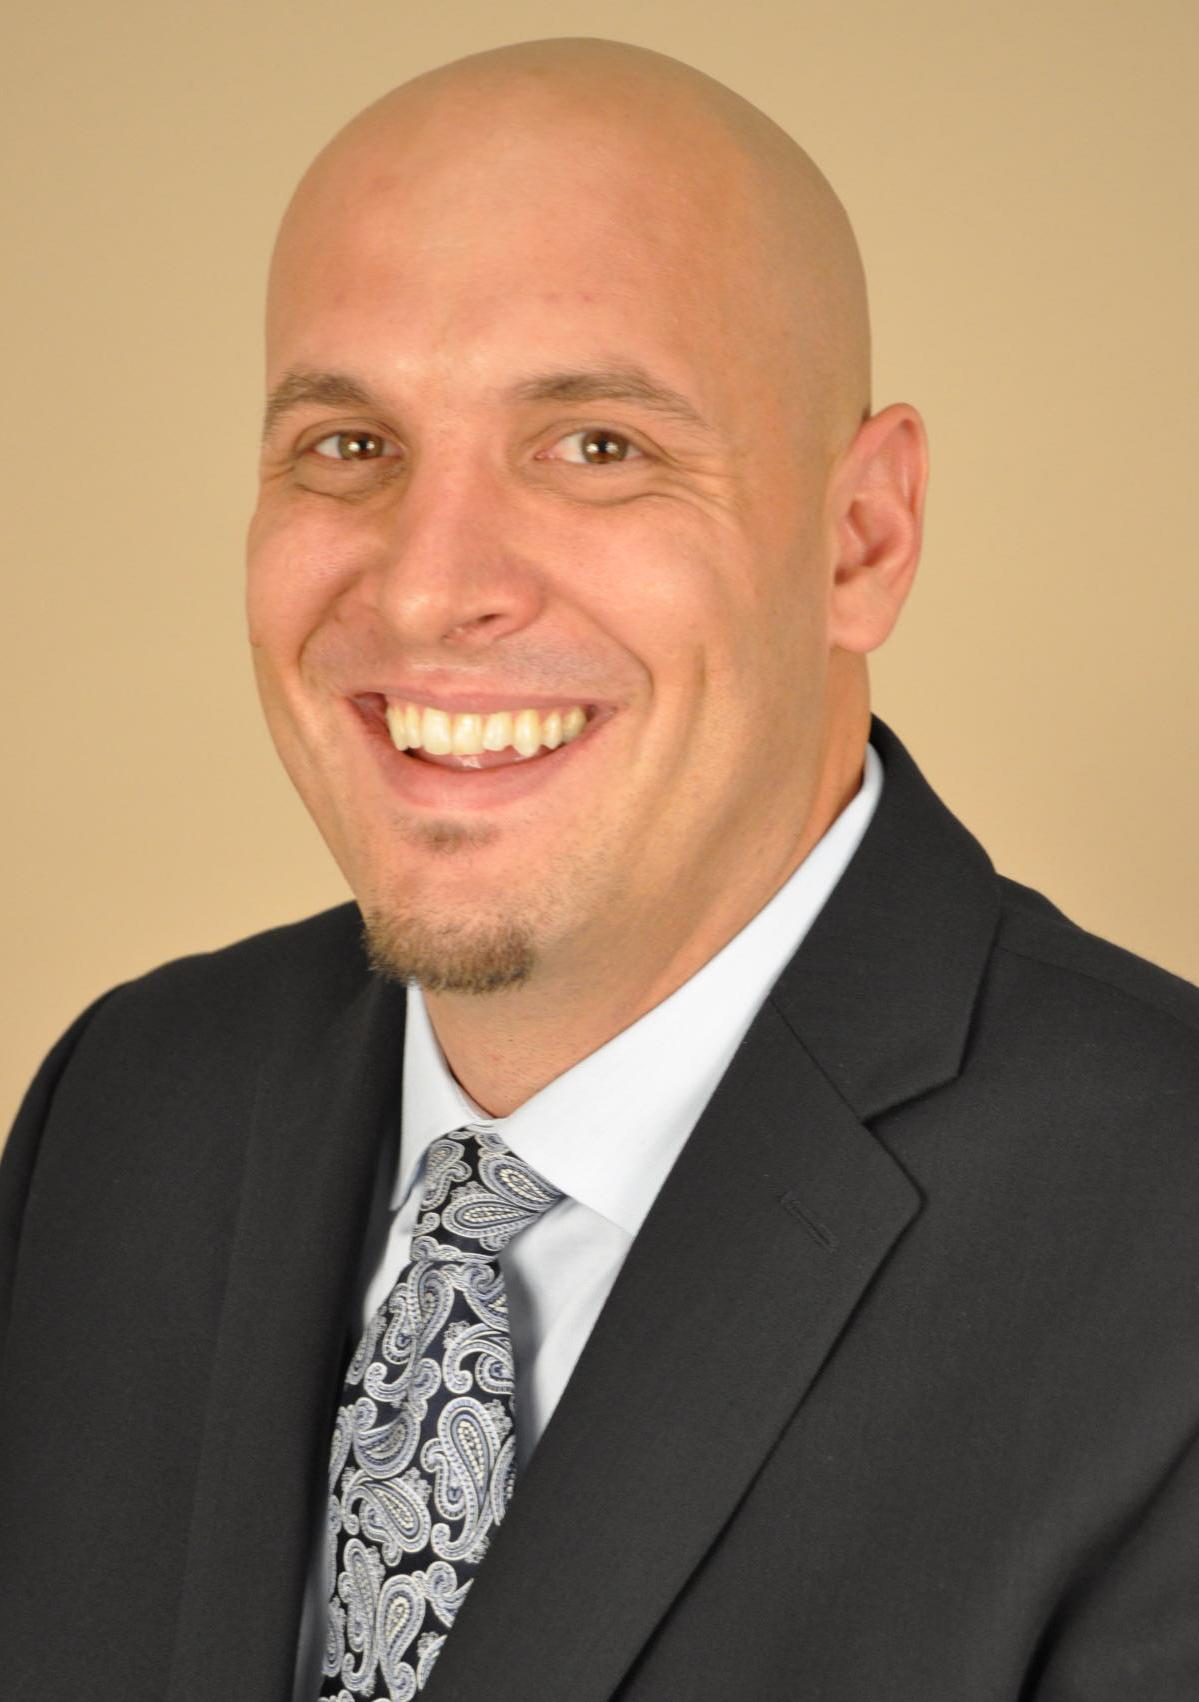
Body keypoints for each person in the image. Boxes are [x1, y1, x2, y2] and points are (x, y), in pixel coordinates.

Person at [1, 35, 1196, 1702]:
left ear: (863, 536)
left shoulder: (1167, 1249)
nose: (427, 592)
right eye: (348, 446)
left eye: (596, 447)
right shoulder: (125, 1108)